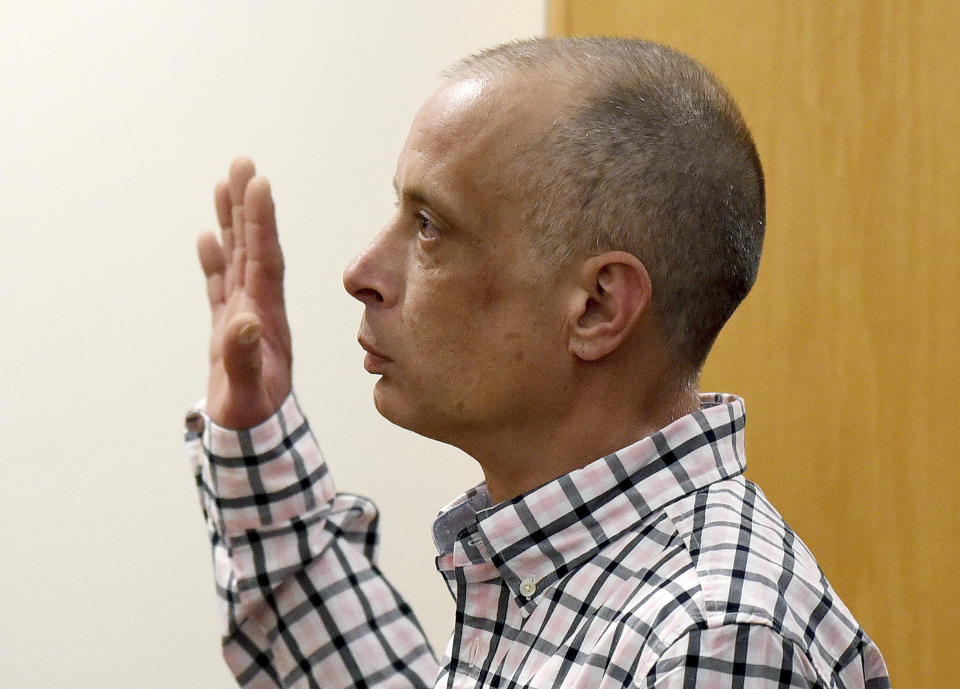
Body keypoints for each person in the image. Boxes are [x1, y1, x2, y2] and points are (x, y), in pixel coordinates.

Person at [185, 37, 890, 688]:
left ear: (596, 306)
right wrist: (258, 436)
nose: (361, 271)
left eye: (429, 226)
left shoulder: (714, 639)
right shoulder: (576, 577)